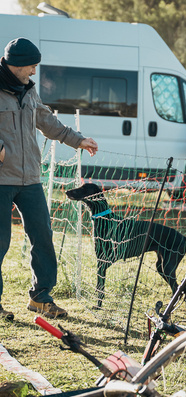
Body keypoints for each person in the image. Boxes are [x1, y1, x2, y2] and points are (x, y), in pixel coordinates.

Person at [0, 38, 98, 320]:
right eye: (31, 66)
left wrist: (78, 140)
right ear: (16, 64)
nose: (34, 71)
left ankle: (41, 298)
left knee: (43, 237)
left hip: (30, 178)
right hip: (1, 179)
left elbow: (46, 120)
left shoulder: (29, 90)